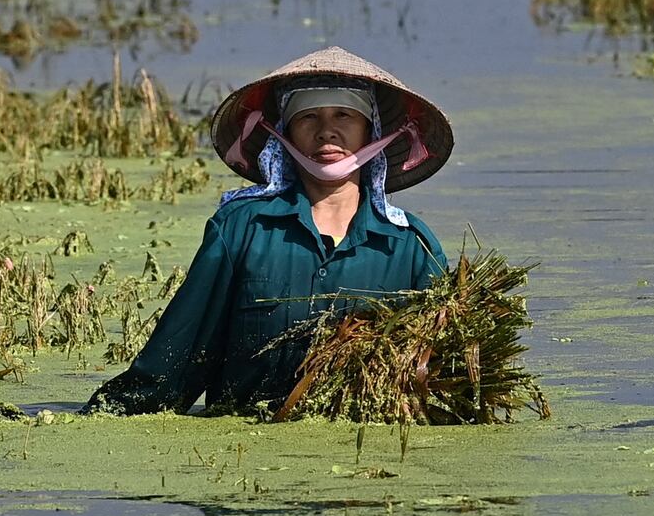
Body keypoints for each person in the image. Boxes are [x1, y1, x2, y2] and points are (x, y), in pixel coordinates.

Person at [82, 46, 454, 416]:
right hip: (240, 449)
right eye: (308, 117)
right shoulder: (241, 228)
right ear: (284, 132)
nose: (327, 131)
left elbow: (441, 370)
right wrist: (102, 416)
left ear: (370, 131)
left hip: (368, 453)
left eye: (344, 115)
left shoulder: (411, 246)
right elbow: (182, 349)